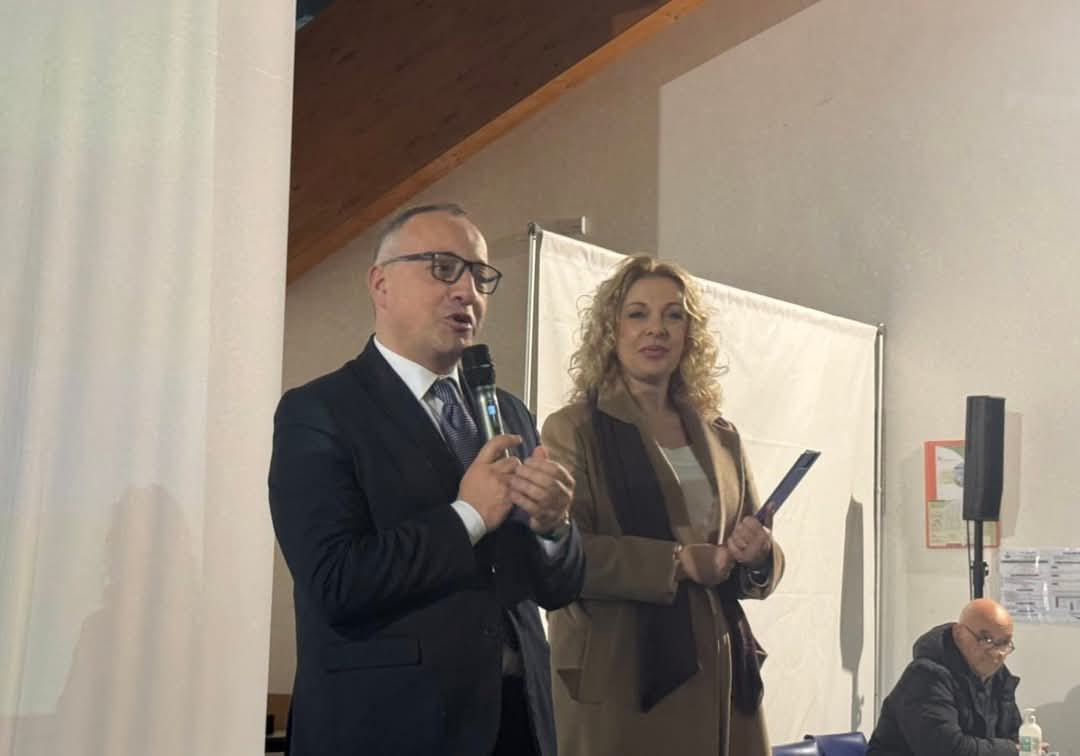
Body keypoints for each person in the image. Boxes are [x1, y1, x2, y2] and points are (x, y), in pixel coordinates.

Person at [268, 203, 585, 756]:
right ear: (381, 284)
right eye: (443, 268)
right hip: (390, 726)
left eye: (479, 276)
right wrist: (467, 517)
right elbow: (336, 582)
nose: (467, 291)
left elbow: (556, 590)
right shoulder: (319, 411)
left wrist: (554, 528)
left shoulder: (509, 412)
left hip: (517, 721)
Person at [541, 255, 785, 756]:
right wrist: (677, 562)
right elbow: (565, 554)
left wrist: (758, 554)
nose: (657, 329)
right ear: (611, 329)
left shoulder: (721, 436)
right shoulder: (573, 428)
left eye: (674, 315)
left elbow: (755, 549)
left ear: (689, 333)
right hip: (622, 677)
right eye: (638, 314)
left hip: (720, 676)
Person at [867, 598, 1023, 756]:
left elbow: (1018, 738)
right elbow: (948, 750)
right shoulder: (925, 676)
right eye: (987, 640)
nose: (998, 653)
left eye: (1004, 643)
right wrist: (1011, 750)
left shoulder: (999, 678)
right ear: (959, 634)